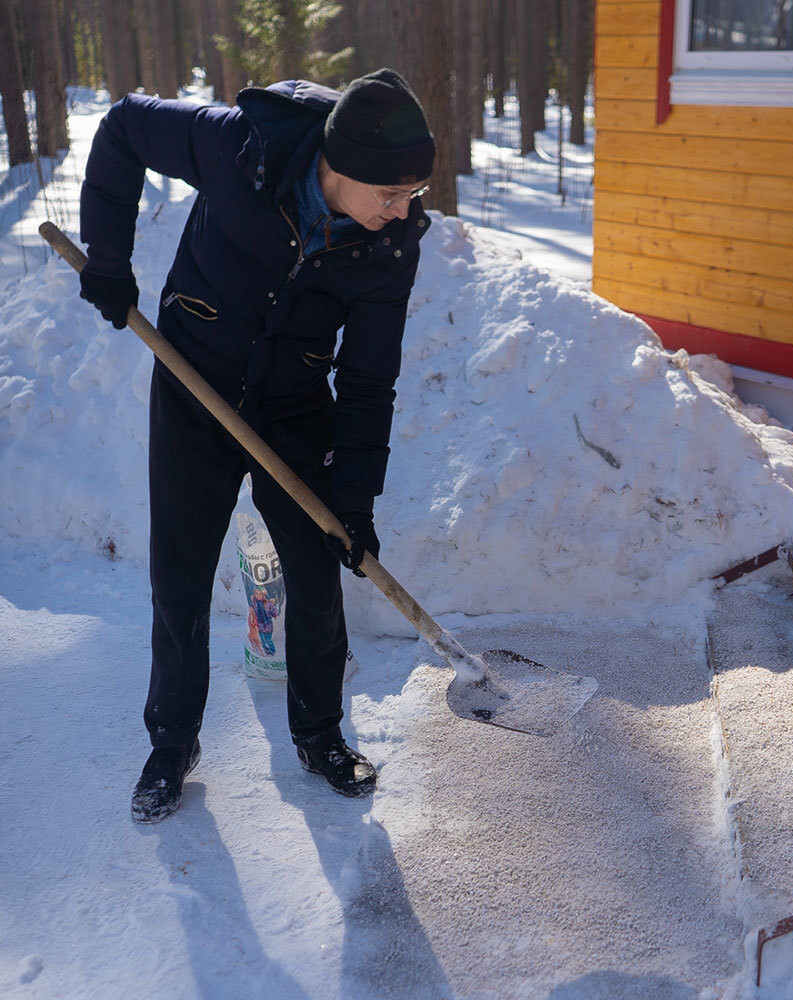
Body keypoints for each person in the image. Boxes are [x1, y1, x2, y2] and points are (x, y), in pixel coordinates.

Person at [78, 68, 435, 823]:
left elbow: (369, 379)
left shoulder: (389, 245)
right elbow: (123, 128)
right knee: (181, 572)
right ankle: (172, 741)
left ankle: (320, 733)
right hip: (193, 376)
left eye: (411, 195)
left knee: (314, 571)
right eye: (392, 195)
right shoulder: (242, 148)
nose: (404, 211)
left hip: (293, 402)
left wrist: (354, 500)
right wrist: (108, 260)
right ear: (339, 169)